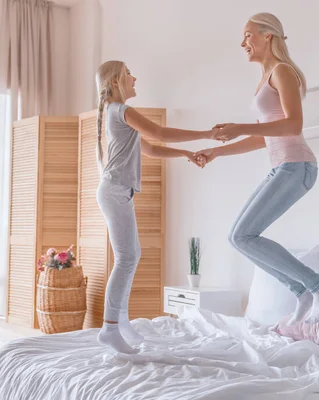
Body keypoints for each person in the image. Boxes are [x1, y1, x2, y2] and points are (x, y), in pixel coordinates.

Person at [196, 13, 319, 325]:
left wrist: (238, 126)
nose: (243, 42)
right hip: (282, 167)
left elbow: (294, 124)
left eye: (248, 35)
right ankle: (300, 291)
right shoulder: (266, 77)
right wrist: (217, 151)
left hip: (297, 165)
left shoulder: (283, 71)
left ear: (268, 36)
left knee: (244, 234)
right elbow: (263, 137)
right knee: (238, 237)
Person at [95, 60, 213, 353]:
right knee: (125, 258)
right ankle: (110, 328)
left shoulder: (119, 115)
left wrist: (186, 152)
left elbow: (152, 148)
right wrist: (206, 134)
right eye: (128, 74)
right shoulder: (121, 111)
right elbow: (159, 133)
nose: (135, 78)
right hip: (114, 191)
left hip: (119, 192)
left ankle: (120, 321)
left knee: (131, 256)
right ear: (115, 82)